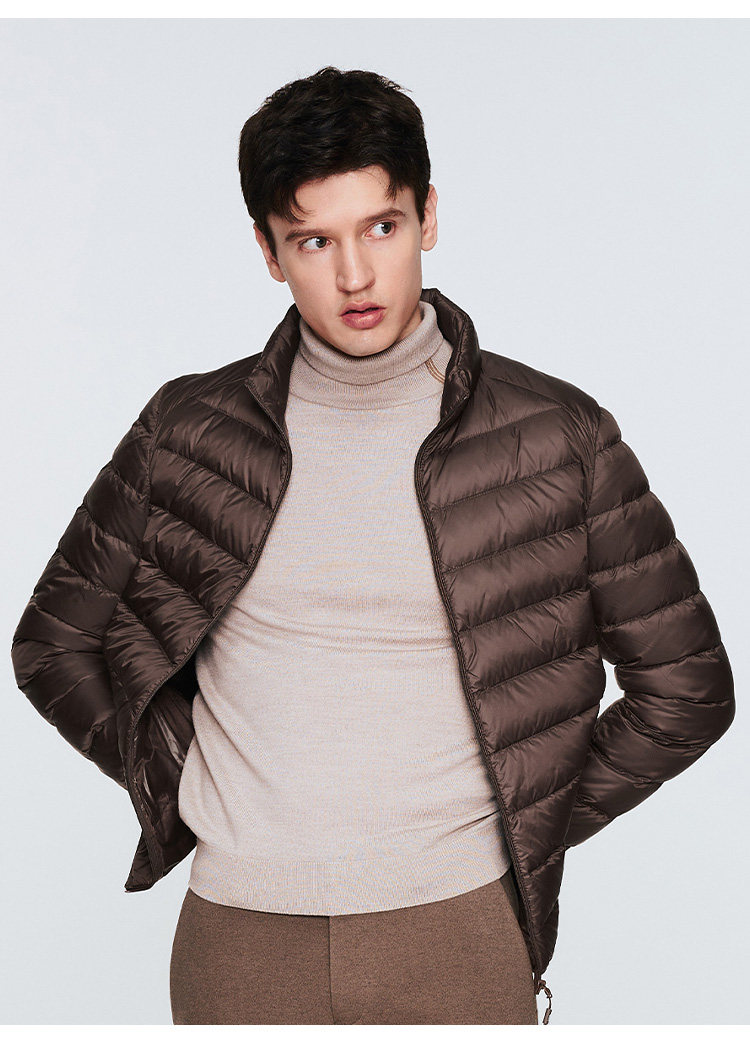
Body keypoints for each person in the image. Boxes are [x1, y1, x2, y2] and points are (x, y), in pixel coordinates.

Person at [11, 66, 735, 1026]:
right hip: (238, 938)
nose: (355, 275)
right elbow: (52, 644)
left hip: (457, 931)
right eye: (314, 240)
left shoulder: (558, 436)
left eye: (381, 228)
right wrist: (183, 782)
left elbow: (687, 689)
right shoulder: (188, 432)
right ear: (270, 253)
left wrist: (521, 826)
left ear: (428, 216)